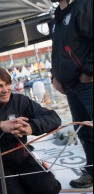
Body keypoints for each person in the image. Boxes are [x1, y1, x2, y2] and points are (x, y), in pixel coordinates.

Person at [0, 67, 62, 194]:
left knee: (50, 188)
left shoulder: (20, 101)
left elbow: (53, 118)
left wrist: (32, 127)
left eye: (7, 84)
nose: (5, 90)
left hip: (22, 158)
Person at [50, 0, 93, 188]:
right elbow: (57, 50)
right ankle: (92, 171)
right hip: (71, 86)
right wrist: (55, 75)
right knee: (84, 131)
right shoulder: (58, 15)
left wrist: (89, 72)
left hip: (87, 84)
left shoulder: (84, 6)